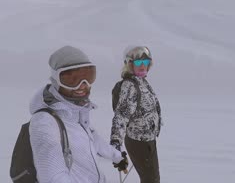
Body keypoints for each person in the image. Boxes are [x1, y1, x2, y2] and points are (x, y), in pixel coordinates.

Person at [29, 45, 128, 183]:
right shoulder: (44, 122)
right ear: (55, 79)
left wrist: (118, 157)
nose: (82, 85)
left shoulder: (76, 113)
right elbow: (52, 176)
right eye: (71, 79)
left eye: (88, 77)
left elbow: (94, 140)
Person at [110, 46, 162, 183]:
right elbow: (121, 115)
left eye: (146, 62)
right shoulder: (130, 86)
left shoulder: (142, 82)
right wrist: (116, 143)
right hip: (139, 143)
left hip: (148, 141)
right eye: (139, 62)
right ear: (129, 64)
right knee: (151, 180)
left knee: (152, 179)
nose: (143, 66)